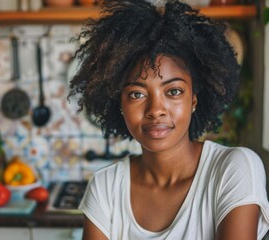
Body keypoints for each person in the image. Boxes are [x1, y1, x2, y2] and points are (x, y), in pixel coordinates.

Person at [68, 0, 269, 239]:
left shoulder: (234, 168)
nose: (156, 110)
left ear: (193, 100)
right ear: (119, 104)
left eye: (173, 91)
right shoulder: (105, 187)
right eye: (137, 94)